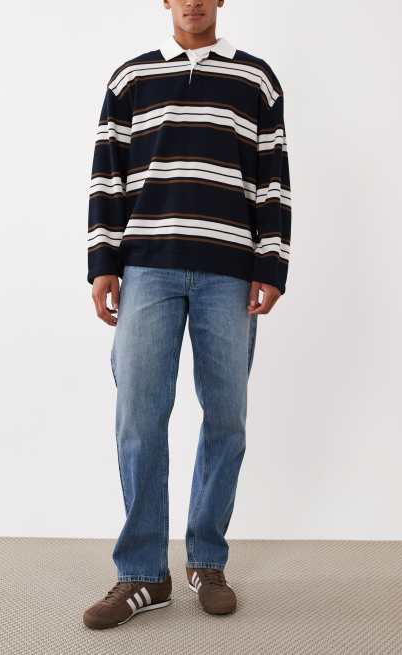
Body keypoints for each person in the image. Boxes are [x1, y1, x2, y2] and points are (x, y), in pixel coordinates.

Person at [83, 0, 292, 630]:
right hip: (147, 267)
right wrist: (103, 261)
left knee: (226, 418)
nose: (194, 1)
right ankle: (144, 572)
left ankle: (207, 560)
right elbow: (107, 177)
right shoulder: (132, 78)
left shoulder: (255, 78)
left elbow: (272, 178)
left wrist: (271, 264)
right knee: (138, 418)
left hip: (230, 271)